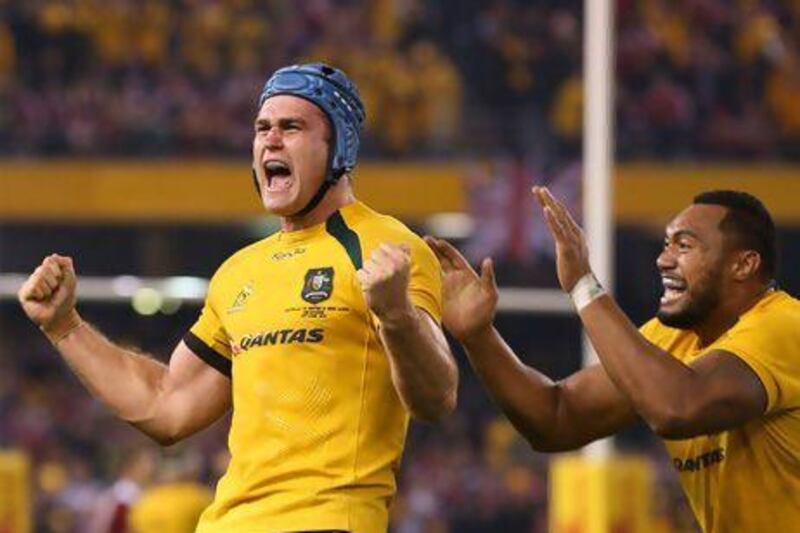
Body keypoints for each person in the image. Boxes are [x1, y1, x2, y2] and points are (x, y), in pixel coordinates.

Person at [18, 63, 458, 533]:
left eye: (292, 127)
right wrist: (65, 327)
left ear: (340, 147)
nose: (271, 140)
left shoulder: (388, 247)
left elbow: (437, 397)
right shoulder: (239, 272)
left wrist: (397, 317)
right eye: (262, 128)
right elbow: (167, 404)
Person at [425, 188, 800, 533]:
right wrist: (479, 336)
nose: (663, 259)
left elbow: (677, 407)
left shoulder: (785, 326)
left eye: (684, 245)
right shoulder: (674, 339)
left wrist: (583, 287)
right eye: (666, 244)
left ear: (744, 265)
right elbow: (556, 417)